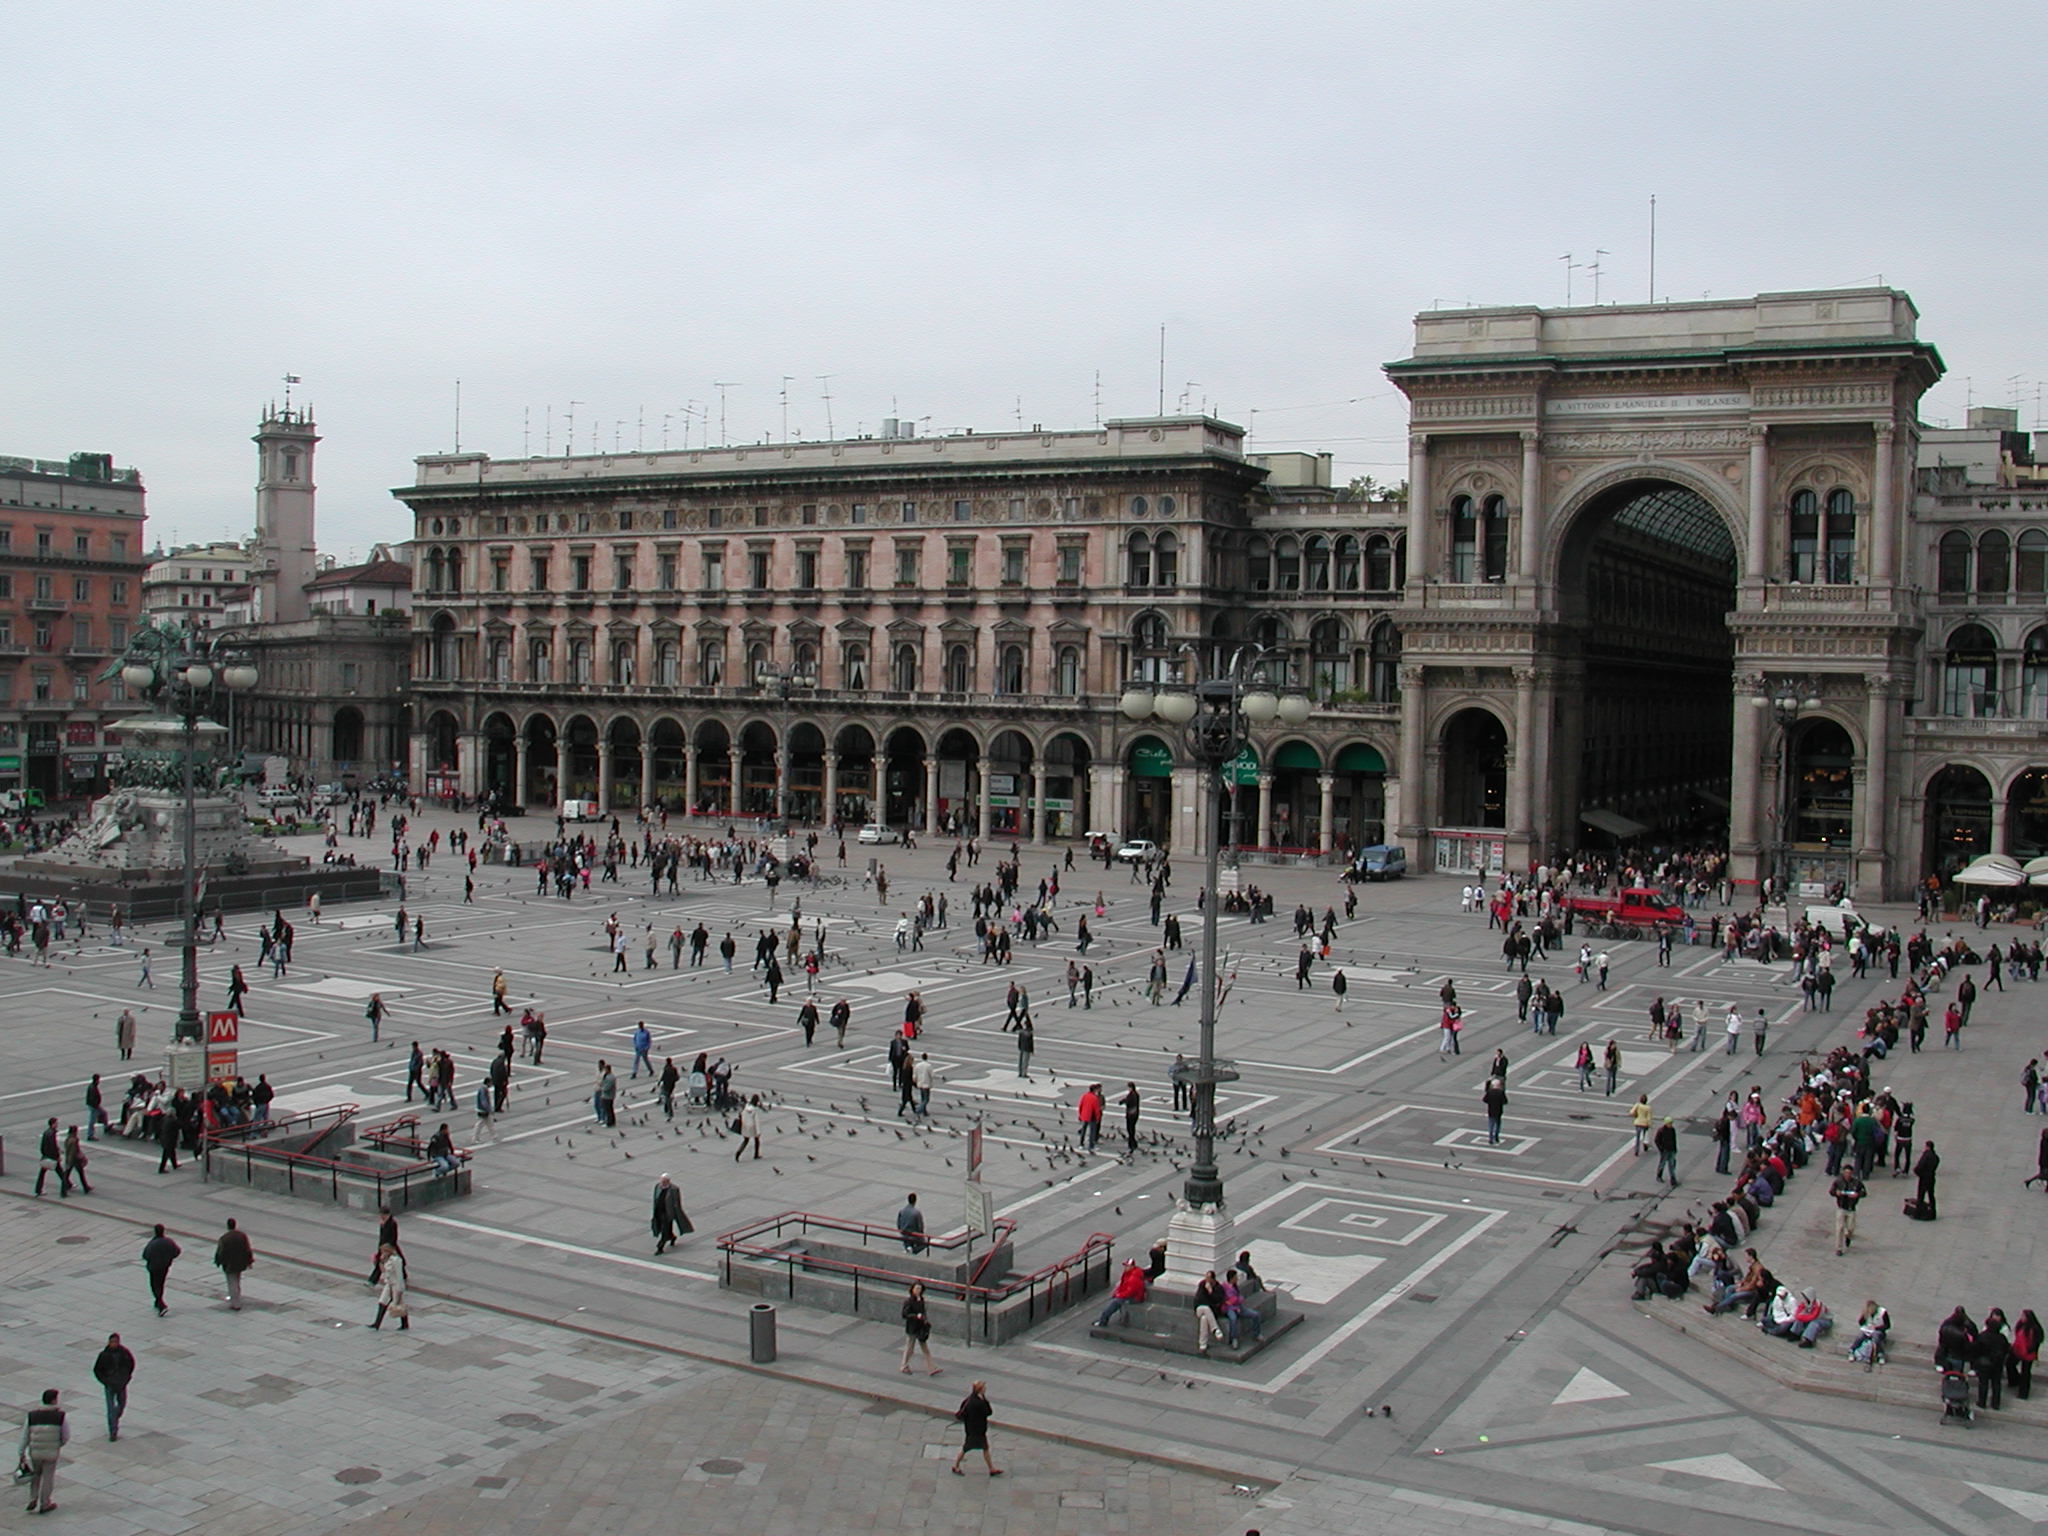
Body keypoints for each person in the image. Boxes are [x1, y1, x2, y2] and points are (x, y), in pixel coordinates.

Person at [18, 1388, 67, 1515]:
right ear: (53, 1400)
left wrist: (21, 1452)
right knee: (48, 1477)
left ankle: (33, 1498)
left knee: (36, 1475)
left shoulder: (32, 1416)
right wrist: (58, 1444)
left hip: (35, 1453)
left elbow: (25, 1435)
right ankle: (45, 1503)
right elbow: (66, 1436)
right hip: (51, 1453)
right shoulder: (60, 1416)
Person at [949, 1380, 1000, 1476]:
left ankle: (991, 1468)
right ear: (980, 1390)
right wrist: (985, 1400)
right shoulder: (979, 1403)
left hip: (971, 1429)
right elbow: (988, 1412)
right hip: (977, 1430)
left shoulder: (969, 1400)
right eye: (984, 1388)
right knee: (966, 1448)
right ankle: (956, 1466)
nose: (985, 1389)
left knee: (984, 1448)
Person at [92, 1334, 135, 1441]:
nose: (114, 1344)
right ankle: (113, 1430)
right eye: (112, 1342)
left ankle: (115, 1418)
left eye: (116, 1342)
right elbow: (97, 1370)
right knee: (111, 1408)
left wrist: (126, 1378)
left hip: (121, 1383)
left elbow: (131, 1364)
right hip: (110, 1384)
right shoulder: (104, 1355)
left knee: (122, 1404)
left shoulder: (124, 1353)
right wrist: (105, 1381)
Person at [900, 1281, 941, 1375]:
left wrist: (925, 1320)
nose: (918, 1290)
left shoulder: (921, 1299)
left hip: (920, 1327)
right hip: (912, 1327)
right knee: (910, 1348)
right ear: (912, 1289)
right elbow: (904, 1314)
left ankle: (931, 1368)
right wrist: (916, 1316)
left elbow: (923, 1311)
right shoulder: (909, 1301)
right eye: (916, 1288)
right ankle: (904, 1365)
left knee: (925, 1348)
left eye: (920, 1289)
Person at [213, 1218, 254, 1311]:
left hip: (229, 1264)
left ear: (228, 1226)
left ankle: (235, 1303)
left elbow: (221, 1252)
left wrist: (218, 1261)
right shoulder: (242, 1236)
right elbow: (247, 1249)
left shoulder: (224, 1238)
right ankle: (237, 1299)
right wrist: (249, 1261)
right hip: (240, 1263)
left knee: (232, 1283)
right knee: (237, 1281)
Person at [1095, 1259, 1148, 1328]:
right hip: (1129, 1295)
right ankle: (1104, 1318)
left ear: (1132, 1266)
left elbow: (1131, 1292)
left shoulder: (1134, 1278)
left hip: (1135, 1298)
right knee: (1117, 1300)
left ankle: (1103, 1320)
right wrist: (1117, 1292)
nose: (1125, 1267)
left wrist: (1119, 1295)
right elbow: (1122, 1285)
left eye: (1127, 1266)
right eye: (1125, 1266)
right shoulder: (1127, 1274)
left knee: (1116, 1302)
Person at [141, 1223, 180, 1316]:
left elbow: (145, 1255)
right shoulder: (169, 1241)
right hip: (164, 1267)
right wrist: (169, 1258)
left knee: (154, 1285)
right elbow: (177, 1251)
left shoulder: (152, 1243)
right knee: (161, 1284)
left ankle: (161, 1305)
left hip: (154, 1268)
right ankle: (158, 1301)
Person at [369, 1243, 409, 1330]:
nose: (382, 1253)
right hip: (389, 1284)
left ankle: (405, 1323)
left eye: (383, 1252)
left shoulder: (396, 1260)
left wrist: (400, 1289)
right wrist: (381, 1262)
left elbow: (399, 1275)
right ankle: (377, 1323)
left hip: (396, 1285)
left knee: (398, 1305)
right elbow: (384, 1272)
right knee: (382, 1302)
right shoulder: (387, 1260)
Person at [650, 1174, 693, 1254]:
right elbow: (655, 1199)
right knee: (663, 1229)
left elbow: (676, 1203)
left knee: (664, 1230)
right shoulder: (657, 1187)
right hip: (658, 1212)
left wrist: (675, 1215)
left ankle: (660, 1247)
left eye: (664, 1181)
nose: (662, 1183)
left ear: (668, 1181)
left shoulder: (674, 1189)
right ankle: (672, 1237)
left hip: (667, 1214)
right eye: (661, 1181)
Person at [1829, 1166, 1865, 1254]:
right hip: (1841, 1207)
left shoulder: (1857, 1182)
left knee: (1851, 1227)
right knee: (1839, 1228)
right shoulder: (1838, 1181)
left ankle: (1848, 1236)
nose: (1847, 1175)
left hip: (1851, 1208)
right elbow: (1831, 1191)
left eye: (1849, 1173)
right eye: (1846, 1173)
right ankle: (1839, 1248)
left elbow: (1864, 1192)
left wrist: (1857, 1194)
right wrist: (1836, 1193)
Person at [34, 1117, 69, 1198]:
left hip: (46, 1157)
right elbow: (53, 1146)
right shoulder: (52, 1133)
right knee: (61, 1173)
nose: (57, 1124)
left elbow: (43, 1146)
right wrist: (57, 1156)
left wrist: (45, 1154)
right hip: (52, 1157)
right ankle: (66, 1188)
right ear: (53, 1124)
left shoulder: (46, 1132)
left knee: (43, 1174)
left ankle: (38, 1189)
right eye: (56, 1123)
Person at [1915, 1140, 1941, 1219]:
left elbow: (1920, 1166)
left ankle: (1918, 1213)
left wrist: (1918, 1173)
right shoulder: (1936, 1157)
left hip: (1924, 1178)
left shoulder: (1925, 1156)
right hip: (1931, 1177)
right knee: (1931, 1195)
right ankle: (1933, 1212)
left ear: (1927, 1147)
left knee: (1921, 1196)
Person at [734, 1094, 763, 1160]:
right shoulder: (754, 1110)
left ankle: (738, 1152)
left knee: (746, 1140)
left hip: (745, 1126)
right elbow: (756, 1121)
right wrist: (758, 1132)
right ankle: (756, 1154)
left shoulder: (746, 1107)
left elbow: (742, 1115)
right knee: (757, 1140)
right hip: (752, 1127)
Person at [1652, 1117, 1680, 1186]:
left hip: (1671, 1149)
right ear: (1666, 1123)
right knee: (1662, 1163)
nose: (1671, 1125)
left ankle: (1673, 1179)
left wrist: (1675, 1148)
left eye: (1671, 1123)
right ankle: (1659, 1175)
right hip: (1665, 1150)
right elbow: (1657, 1140)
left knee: (1671, 1164)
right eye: (1669, 1123)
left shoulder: (1672, 1130)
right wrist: (1661, 1149)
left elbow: (1674, 1139)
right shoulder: (1661, 1130)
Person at [1482, 1077, 1508, 1145]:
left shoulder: (1490, 1092)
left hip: (1491, 1110)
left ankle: (1490, 1138)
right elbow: (1505, 1101)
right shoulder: (1501, 1092)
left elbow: (1485, 1100)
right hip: (1499, 1110)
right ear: (1499, 1085)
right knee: (1498, 1124)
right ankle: (1496, 1136)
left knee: (1491, 1124)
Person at [1121, 1081, 1142, 1154]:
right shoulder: (1135, 1094)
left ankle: (1132, 1144)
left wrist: (1123, 1101)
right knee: (1132, 1129)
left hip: (1131, 1114)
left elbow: (1129, 1102)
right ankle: (1133, 1143)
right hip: (1135, 1114)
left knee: (1130, 1129)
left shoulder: (1132, 1095)